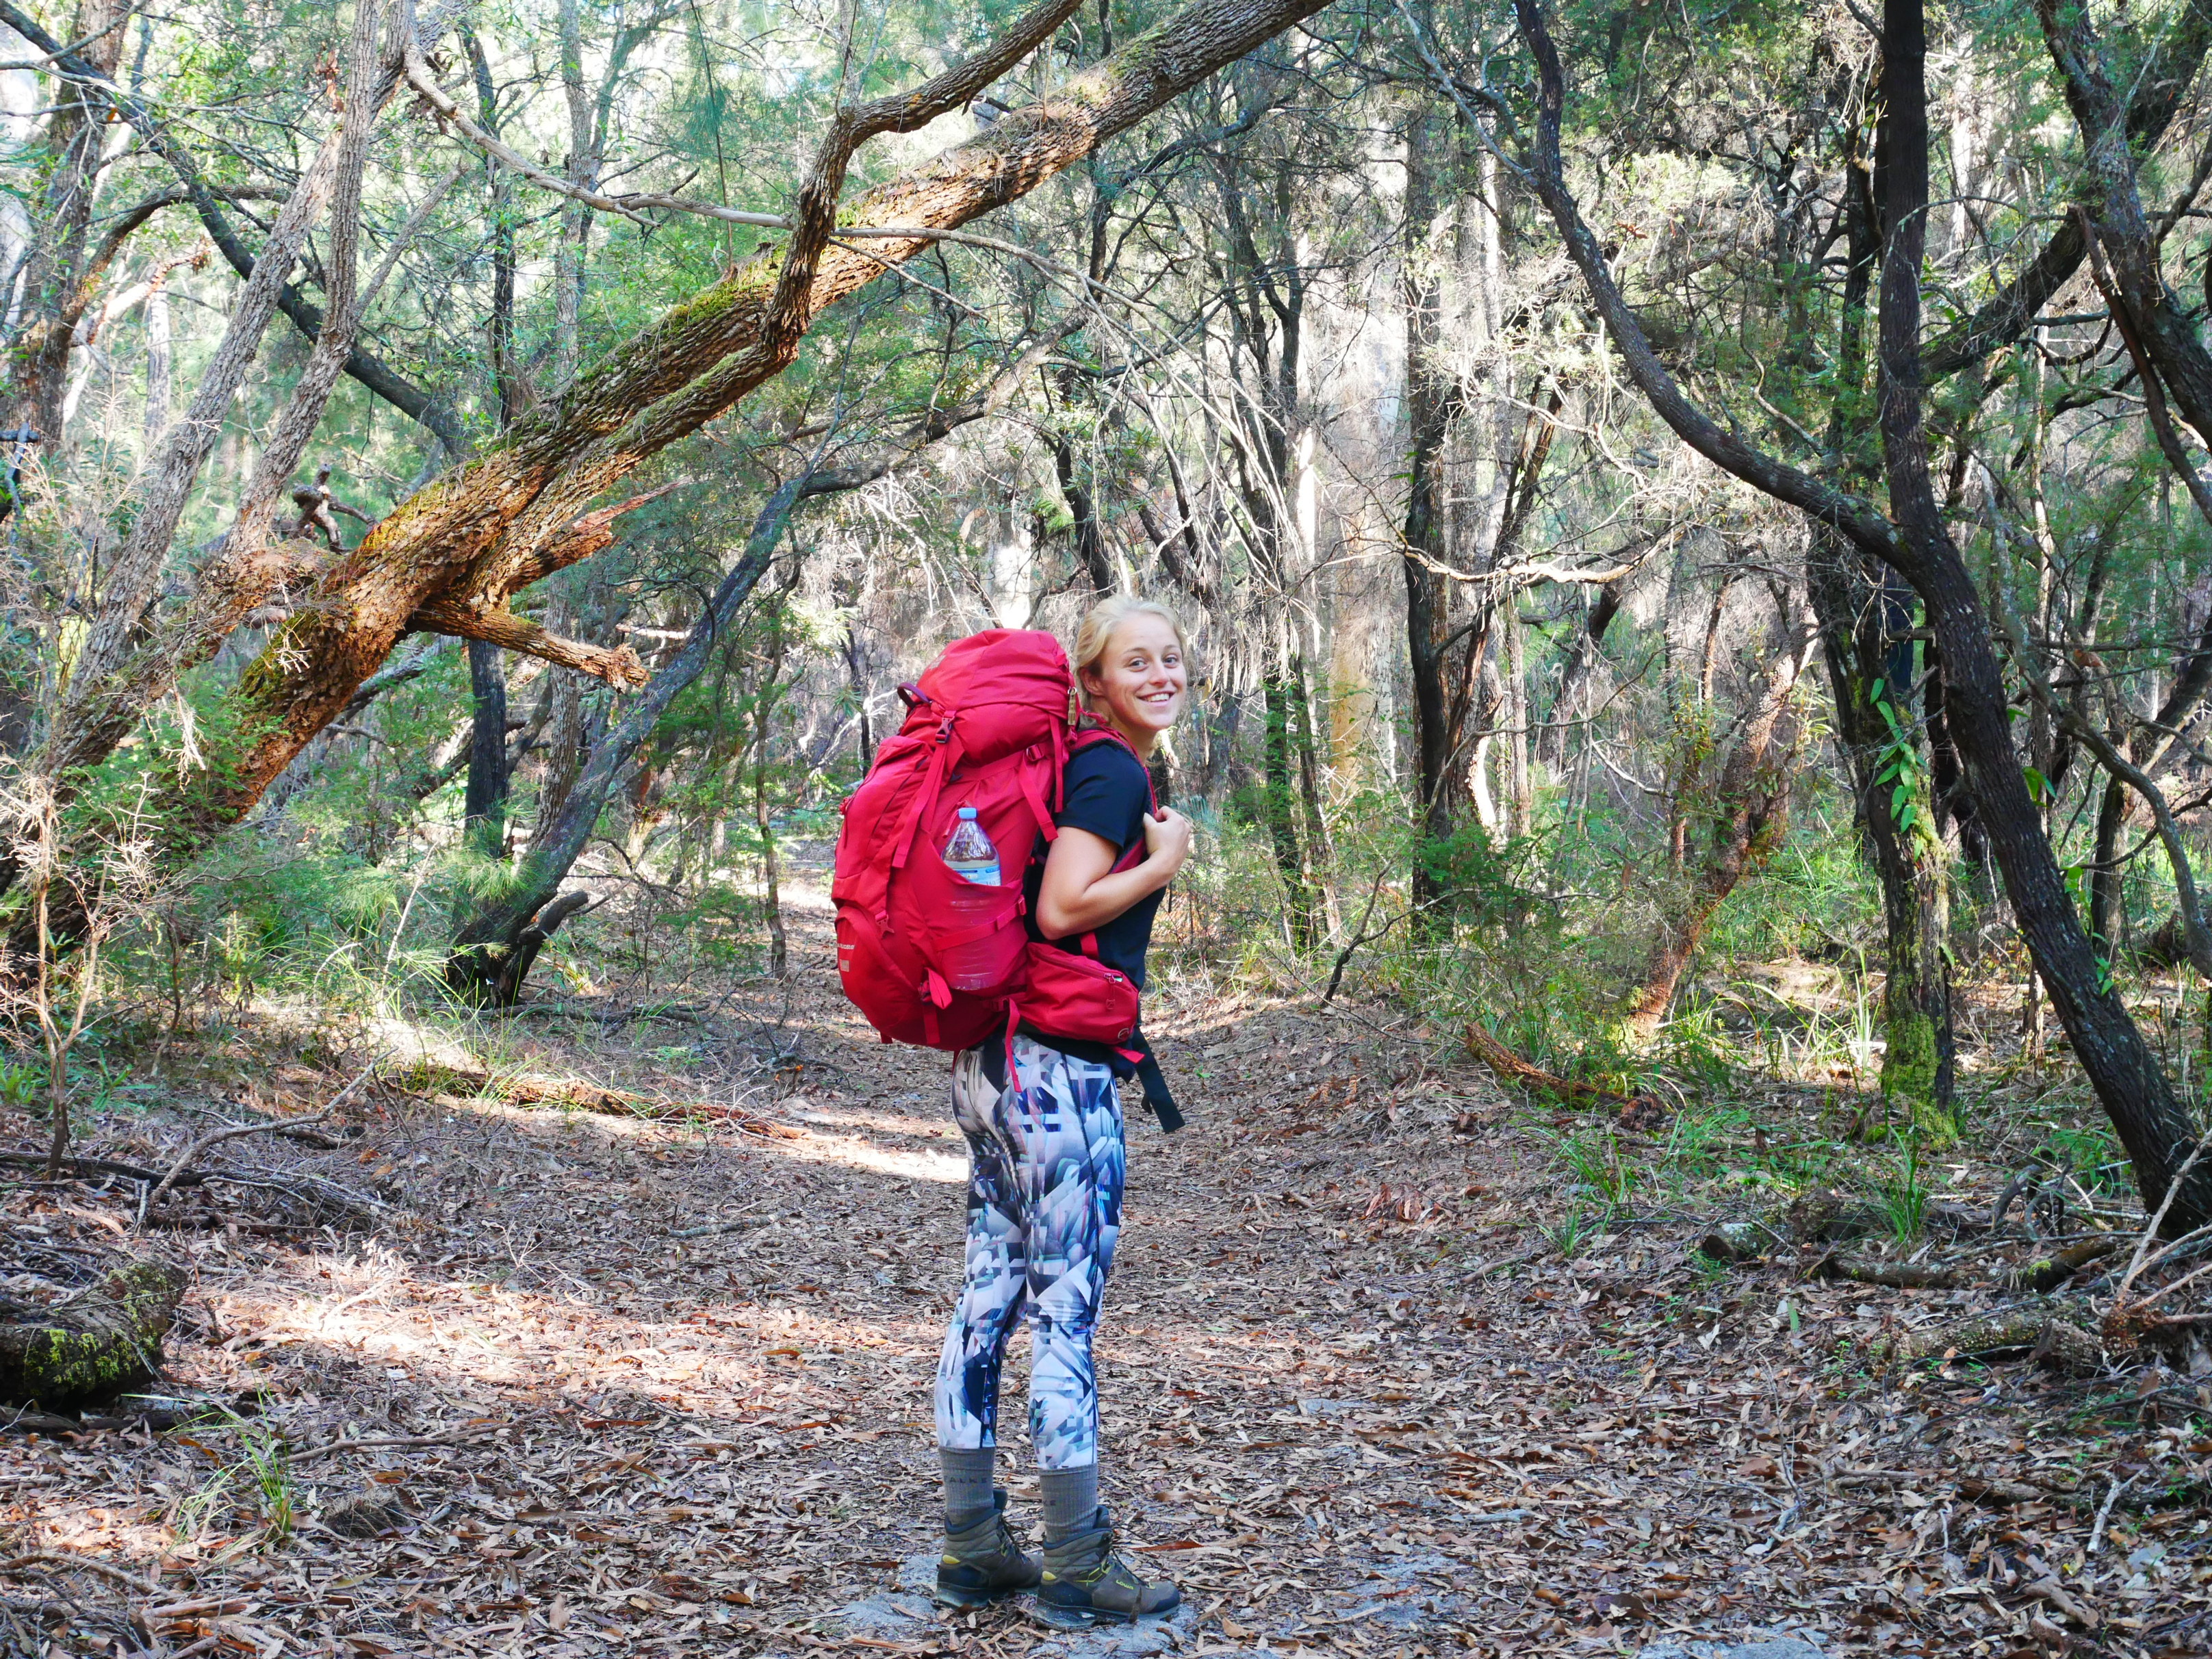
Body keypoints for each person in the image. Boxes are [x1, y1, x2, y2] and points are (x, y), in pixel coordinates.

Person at [931, 596, 1196, 1627]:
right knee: (1065, 1311)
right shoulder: (1111, 770)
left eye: (1172, 658)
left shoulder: (1077, 765)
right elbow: (1062, 907)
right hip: (1056, 1080)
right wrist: (1164, 861)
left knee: (988, 1297)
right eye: (1137, 662)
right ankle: (1078, 1561)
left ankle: (973, 1548)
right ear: (1091, 682)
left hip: (992, 1067)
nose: (1162, 675)